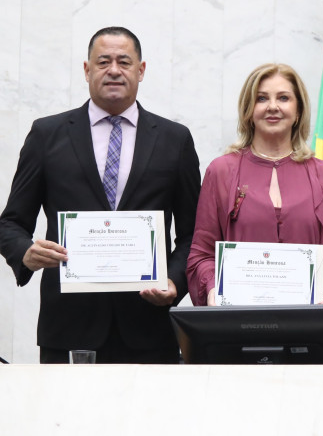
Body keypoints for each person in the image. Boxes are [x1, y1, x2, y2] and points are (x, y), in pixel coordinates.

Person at [0, 26, 201, 363]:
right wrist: (26, 252)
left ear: (141, 70)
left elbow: (194, 233)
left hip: (148, 327)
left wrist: (174, 282)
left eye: (124, 61)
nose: (113, 70)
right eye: (103, 61)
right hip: (68, 326)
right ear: (86, 69)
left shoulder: (174, 140)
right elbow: (10, 224)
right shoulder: (46, 135)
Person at [186, 63, 323, 306]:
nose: (273, 106)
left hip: (307, 327)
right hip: (237, 324)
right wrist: (213, 288)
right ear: (248, 110)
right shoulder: (221, 171)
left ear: (298, 111)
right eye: (262, 98)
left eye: (284, 98)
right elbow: (201, 255)